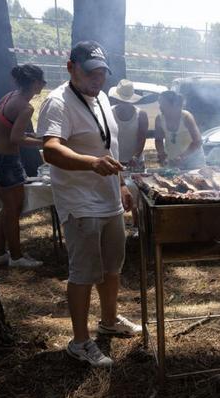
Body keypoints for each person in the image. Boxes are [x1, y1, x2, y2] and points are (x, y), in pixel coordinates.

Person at [37, 41, 142, 367]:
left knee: (112, 268)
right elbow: (51, 150)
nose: (97, 79)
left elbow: (107, 148)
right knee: (84, 273)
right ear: (71, 67)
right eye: (90, 72)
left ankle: (109, 321)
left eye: (102, 72)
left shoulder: (102, 98)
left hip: (108, 199)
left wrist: (121, 184)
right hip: (80, 204)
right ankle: (80, 342)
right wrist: (90, 163)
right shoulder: (58, 103)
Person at [0, 64, 47, 268]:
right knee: (14, 209)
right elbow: (16, 138)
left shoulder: (9, 96)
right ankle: (16, 257)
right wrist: (44, 143)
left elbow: (6, 128)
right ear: (36, 83)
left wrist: (36, 136)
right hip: (6, 160)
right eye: (42, 81)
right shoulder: (26, 107)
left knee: (6, 208)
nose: (43, 85)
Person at [154, 91, 203, 169]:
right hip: (173, 160)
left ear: (173, 104)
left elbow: (198, 141)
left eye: (163, 104)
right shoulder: (159, 119)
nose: (160, 107)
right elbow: (158, 140)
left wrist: (182, 156)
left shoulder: (186, 117)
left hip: (193, 160)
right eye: (160, 104)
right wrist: (162, 154)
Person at [108, 79, 149, 171]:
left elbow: (142, 139)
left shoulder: (141, 114)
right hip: (115, 160)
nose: (124, 103)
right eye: (122, 101)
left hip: (135, 161)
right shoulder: (109, 113)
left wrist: (135, 157)